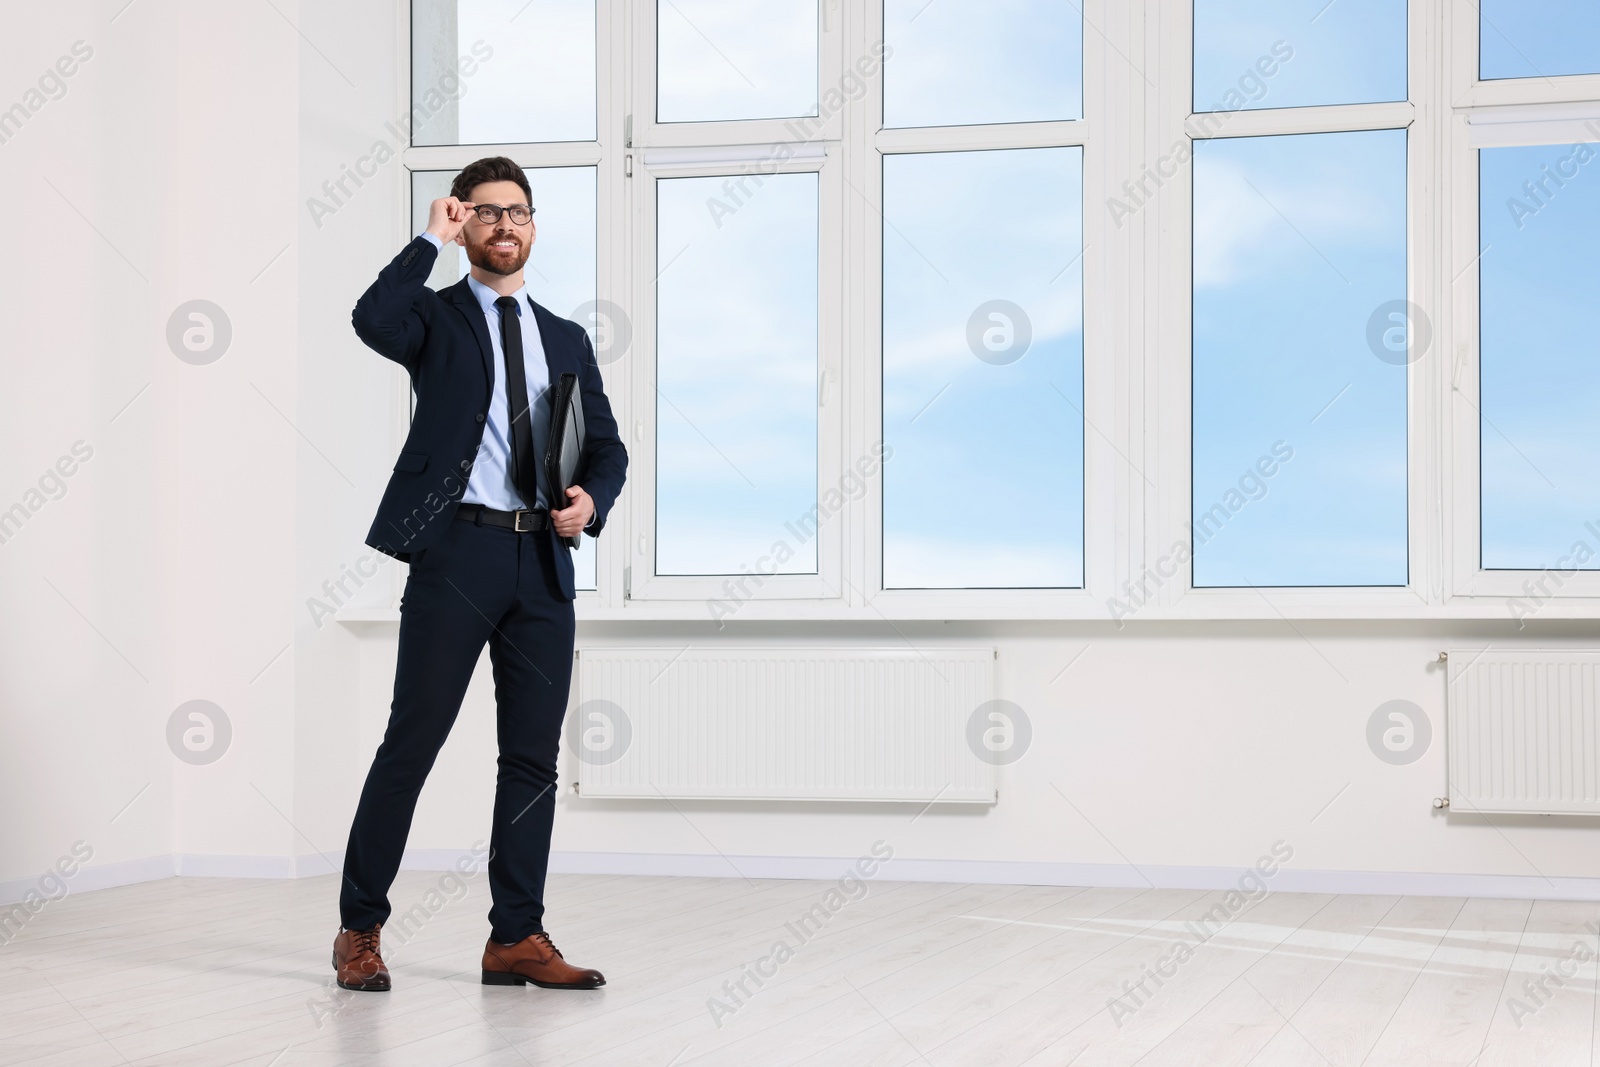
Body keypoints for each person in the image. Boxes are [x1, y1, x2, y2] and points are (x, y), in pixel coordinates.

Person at [331, 155, 627, 992]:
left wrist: (588, 503)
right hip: (456, 552)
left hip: (541, 561)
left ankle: (516, 936)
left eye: (518, 212)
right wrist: (430, 237)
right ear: (467, 223)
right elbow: (370, 317)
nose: (505, 225)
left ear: (535, 226)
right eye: (487, 212)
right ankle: (359, 928)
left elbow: (608, 448)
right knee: (412, 743)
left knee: (532, 757)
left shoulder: (565, 336)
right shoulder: (434, 317)